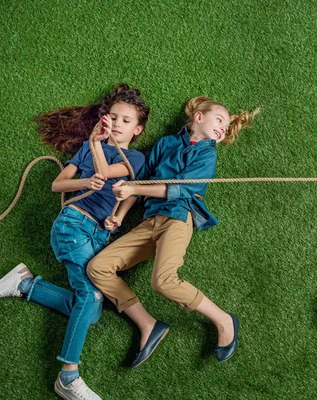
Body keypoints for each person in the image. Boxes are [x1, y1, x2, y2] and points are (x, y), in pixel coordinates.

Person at [0, 84, 149, 400]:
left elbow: (111, 174)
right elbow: (58, 184)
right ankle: (68, 376)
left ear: (138, 129)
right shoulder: (86, 148)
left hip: (99, 235)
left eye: (126, 120)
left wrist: (117, 217)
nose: (117, 123)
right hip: (73, 225)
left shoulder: (135, 157)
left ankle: (26, 285)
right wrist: (87, 176)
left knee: (92, 309)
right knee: (90, 297)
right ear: (104, 120)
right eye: (113, 116)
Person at [87, 96, 259, 368]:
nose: (223, 129)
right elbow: (139, 182)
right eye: (220, 120)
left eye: (226, 127)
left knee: (164, 281)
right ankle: (148, 324)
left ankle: (224, 320)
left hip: (178, 218)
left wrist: (134, 189)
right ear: (199, 117)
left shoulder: (207, 153)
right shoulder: (166, 144)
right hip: (150, 221)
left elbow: (178, 189)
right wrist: (119, 215)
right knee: (98, 267)